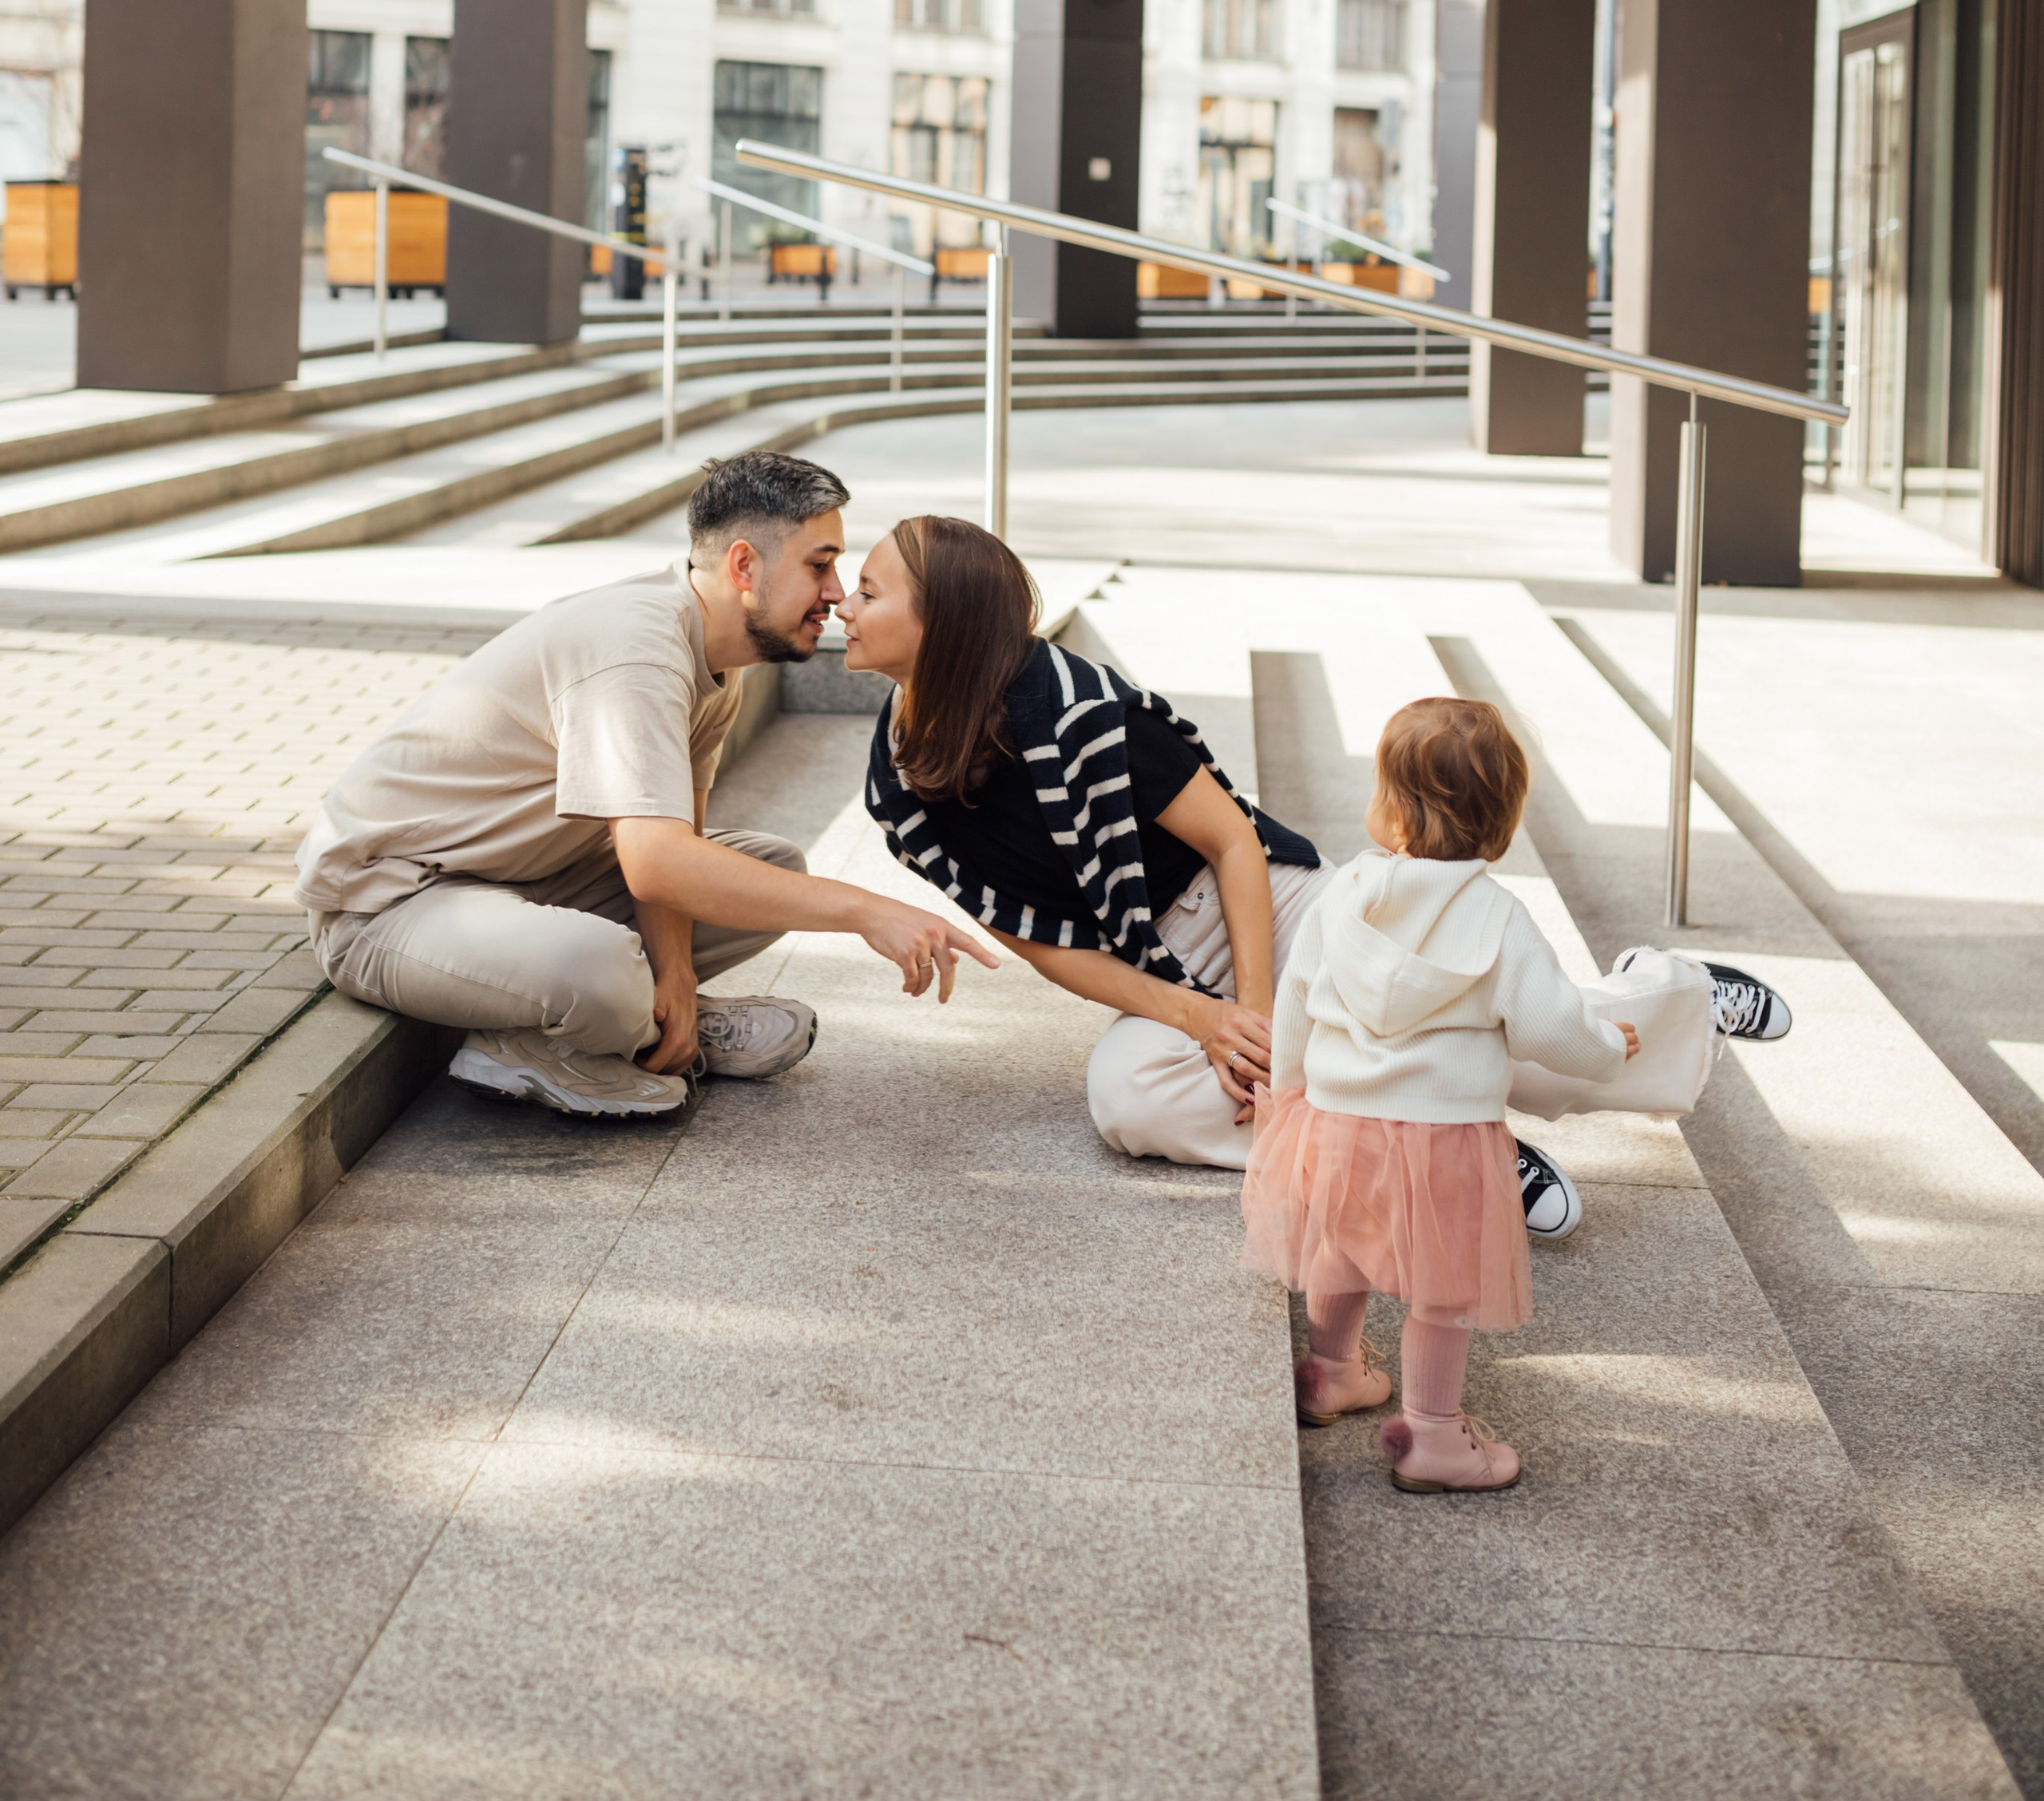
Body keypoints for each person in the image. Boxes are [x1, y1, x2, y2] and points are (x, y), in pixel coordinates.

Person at [842, 514, 1793, 1242]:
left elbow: (1234, 846)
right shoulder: (899, 789)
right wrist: (1207, 1024)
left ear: (949, 625)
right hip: (1149, 968)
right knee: (1131, 1097)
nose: (846, 601)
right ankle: (1423, 1146)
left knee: (1510, 1045)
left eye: (871, 590)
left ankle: (1671, 997)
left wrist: (1259, 1014)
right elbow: (1038, 944)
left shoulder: (1083, 714)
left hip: (1269, 909)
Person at [293, 451, 996, 1122]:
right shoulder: (635, 645)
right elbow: (658, 864)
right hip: (389, 907)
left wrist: (680, 981)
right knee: (596, 966)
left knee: (774, 869)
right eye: (821, 566)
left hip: (523, 882)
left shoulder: (716, 661)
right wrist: (869, 911)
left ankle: (650, 1021)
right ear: (745, 566)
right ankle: (552, 1046)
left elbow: (673, 849)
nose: (836, 595)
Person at [1244, 693, 1645, 1490]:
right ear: (1500, 824)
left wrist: (1285, 1088)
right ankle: (1431, 1438)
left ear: (1389, 815)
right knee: (1445, 1286)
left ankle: (1328, 1372)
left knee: (1340, 1244)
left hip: (1336, 1119)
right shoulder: (1498, 917)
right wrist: (1608, 1047)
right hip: (1445, 1136)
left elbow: (1294, 998)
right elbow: (1546, 1027)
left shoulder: (1345, 894)